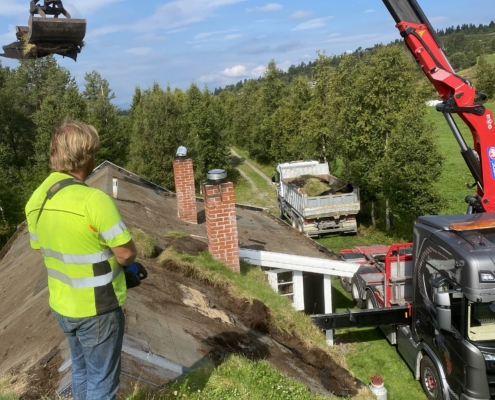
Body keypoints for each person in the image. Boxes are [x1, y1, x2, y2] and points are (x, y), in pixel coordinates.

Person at [25, 118, 137, 400]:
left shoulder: (37, 200)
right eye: (93, 152)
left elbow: (40, 248)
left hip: (63, 305)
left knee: (82, 370)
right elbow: (126, 253)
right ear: (85, 156)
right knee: (102, 382)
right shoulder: (93, 201)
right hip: (98, 309)